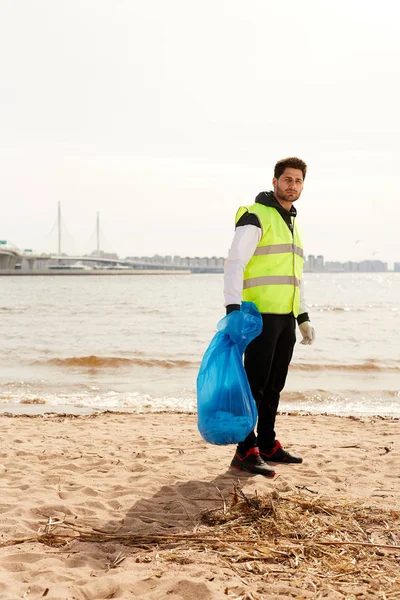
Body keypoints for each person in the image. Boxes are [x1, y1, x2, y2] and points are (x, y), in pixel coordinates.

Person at [224, 157, 315, 477]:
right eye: (287, 179)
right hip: (258, 315)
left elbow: (295, 275)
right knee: (254, 386)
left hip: (285, 318)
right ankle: (244, 451)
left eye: (298, 181)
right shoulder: (256, 216)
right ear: (275, 181)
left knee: (275, 385)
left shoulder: (293, 224)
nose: (293, 185)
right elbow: (234, 263)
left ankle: (267, 443)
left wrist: (302, 316)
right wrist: (232, 309)